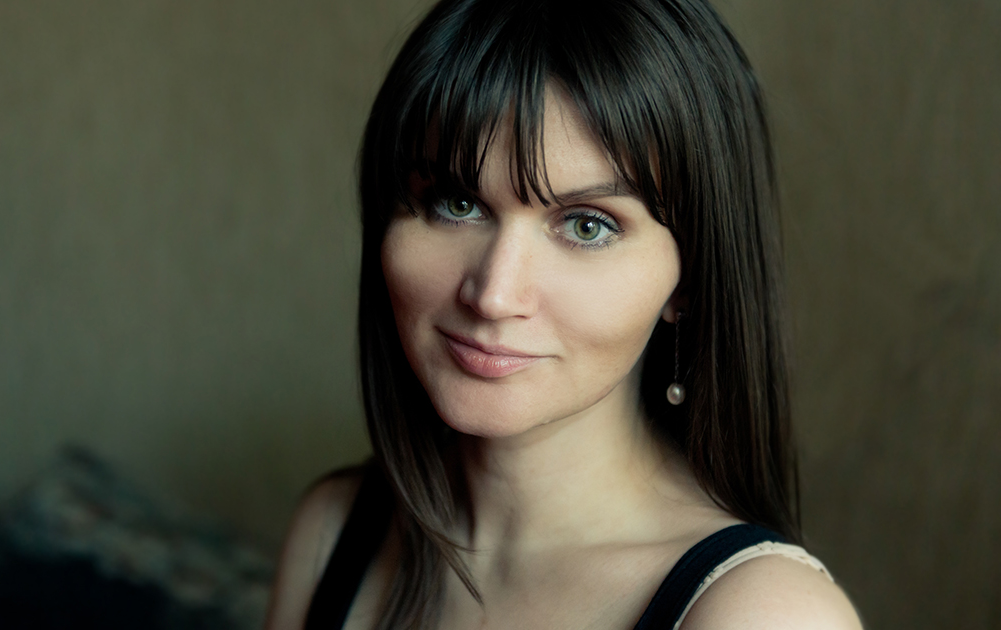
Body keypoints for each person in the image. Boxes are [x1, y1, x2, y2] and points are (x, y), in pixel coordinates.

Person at [266, 0, 862, 628]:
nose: (494, 295)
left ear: (688, 279)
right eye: (456, 202)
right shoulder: (334, 532)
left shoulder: (763, 614)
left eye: (586, 225)